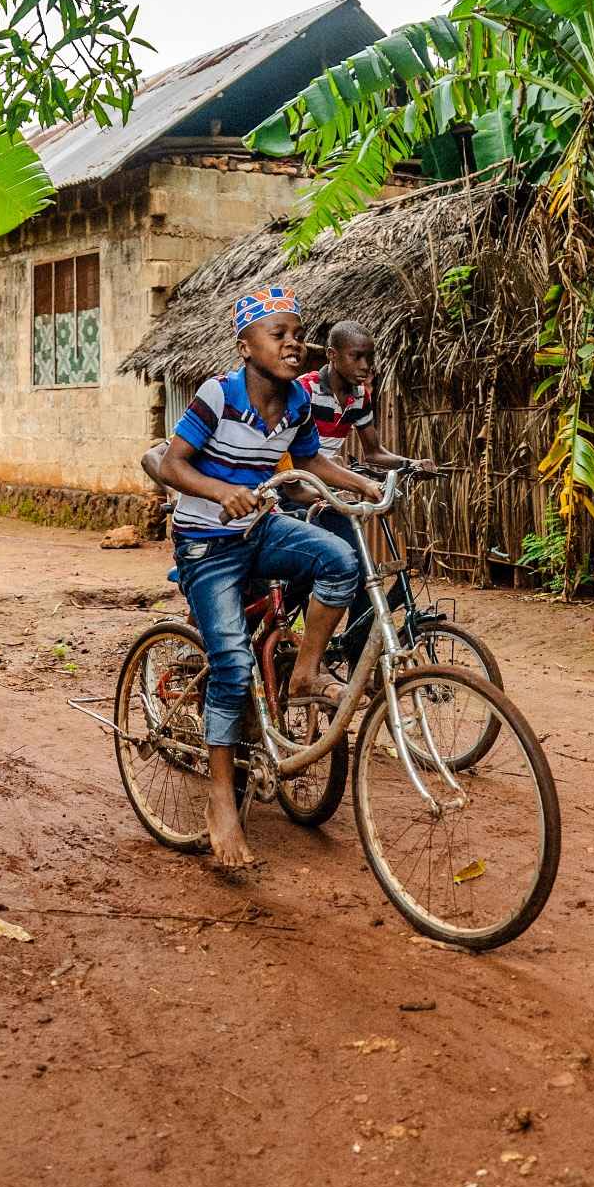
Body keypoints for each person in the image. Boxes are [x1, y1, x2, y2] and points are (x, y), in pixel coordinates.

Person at [159, 286, 382, 869]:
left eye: (296, 333)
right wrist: (220, 491)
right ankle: (220, 803)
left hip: (259, 529)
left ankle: (304, 675)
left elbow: (309, 461)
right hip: (206, 545)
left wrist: (360, 484)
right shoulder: (218, 395)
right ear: (245, 345)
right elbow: (172, 463)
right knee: (231, 664)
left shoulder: (300, 406)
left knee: (340, 561)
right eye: (277, 334)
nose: (292, 343)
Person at [298, 320, 432, 660]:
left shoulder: (359, 396)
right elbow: (287, 450)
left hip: (331, 493)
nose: (365, 366)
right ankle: (302, 650)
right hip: (297, 491)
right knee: (305, 572)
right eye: (356, 357)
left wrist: (412, 463)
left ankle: (356, 653)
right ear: (332, 355)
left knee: (361, 568)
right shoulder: (304, 391)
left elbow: (374, 451)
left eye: (369, 357)